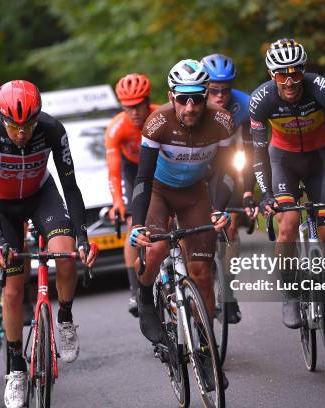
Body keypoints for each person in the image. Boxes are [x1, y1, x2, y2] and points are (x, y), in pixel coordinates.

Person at [0, 80, 97, 408]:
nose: (22, 133)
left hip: (42, 196)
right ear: (2, 119)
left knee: (66, 254)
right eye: (14, 126)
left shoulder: (52, 130)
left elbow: (70, 187)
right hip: (3, 207)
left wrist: (82, 237)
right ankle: (16, 369)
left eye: (28, 124)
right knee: (14, 287)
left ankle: (66, 318)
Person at [130, 59, 233, 390]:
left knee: (202, 272)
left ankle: (206, 349)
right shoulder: (156, 123)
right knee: (157, 246)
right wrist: (137, 224)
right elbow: (143, 178)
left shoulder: (222, 122)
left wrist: (221, 207)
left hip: (195, 195)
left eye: (198, 99)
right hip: (159, 192)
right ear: (172, 97)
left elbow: (226, 172)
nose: (190, 107)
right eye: (183, 99)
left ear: (206, 96)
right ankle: (145, 295)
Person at [247, 38, 325, 331]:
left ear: (304, 71)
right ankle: (290, 294)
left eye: (296, 73)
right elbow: (258, 152)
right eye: (282, 74)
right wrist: (267, 193)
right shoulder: (261, 100)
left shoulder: (322, 89)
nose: (290, 81)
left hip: (318, 160)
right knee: (288, 224)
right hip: (282, 162)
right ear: (272, 75)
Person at [201, 53, 255, 324]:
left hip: (226, 164)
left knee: (231, 226)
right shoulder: (192, 104)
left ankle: (228, 291)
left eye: (225, 90)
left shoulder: (244, 104)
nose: (220, 96)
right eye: (213, 90)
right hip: (198, 167)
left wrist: (250, 190)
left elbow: (250, 145)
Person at [105, 73, 159, 317]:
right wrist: (118, 202)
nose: (134, 112)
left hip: (159, 166)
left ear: (147, 101)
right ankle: (134, 288)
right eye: (128, 108)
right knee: (131, 224)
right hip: (131, 170)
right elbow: (113, 171)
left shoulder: (159, 117)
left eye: (138, 106)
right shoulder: (116, 127)